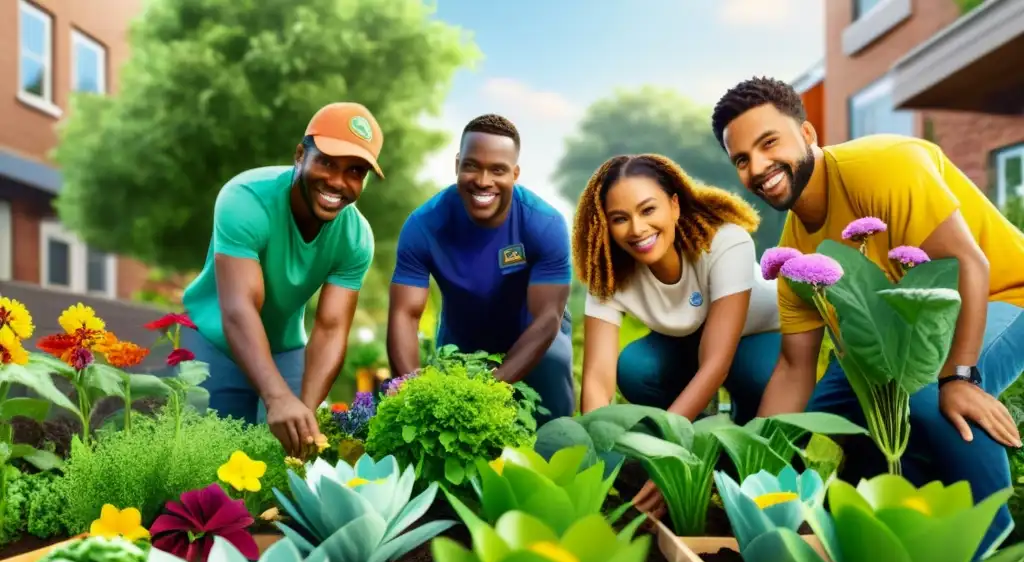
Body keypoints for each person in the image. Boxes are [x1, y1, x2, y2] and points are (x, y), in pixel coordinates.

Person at [711, 75, 1024, 556]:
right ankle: (903, 529)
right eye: (741, 160)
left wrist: (960, 376)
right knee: (837, 412)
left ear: (809, 135)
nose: (758, 167)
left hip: (1004, 293)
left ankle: (987, 554)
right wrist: (753, 464)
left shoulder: (880, 167)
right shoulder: (795, 253)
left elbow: (969, 266)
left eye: (768, 142)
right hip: (899, 333)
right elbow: (794, 369)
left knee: (925, 395)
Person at [575, 153, 781, 516]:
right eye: (620, 219)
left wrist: (672, 450)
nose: (637, 229)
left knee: (759, 380)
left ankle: (730, 455)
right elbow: (596, 377)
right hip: (686, 343)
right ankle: (694, 444)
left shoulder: (724, 241)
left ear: (673, 205)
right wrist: (595, 453)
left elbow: (716, 362)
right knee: (638, 366)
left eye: (647, 210)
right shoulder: (608, 271)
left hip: (757, 337)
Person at [181, 102, 383, 457]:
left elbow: (332, 329)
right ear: (300, 155)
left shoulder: (356, 237)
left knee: (287, 458)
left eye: (355, 171)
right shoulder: (245, 198)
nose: (338, 182)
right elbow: (240, 309)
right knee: (206, 460)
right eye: (327, 162)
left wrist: (302, 408)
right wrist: (276, 397)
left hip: (285, 346)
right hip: (213, 338)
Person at [386, 114, 574, 423]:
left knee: (554, 386)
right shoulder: (423, 225)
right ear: (457, 164)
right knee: (449, 425)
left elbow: (547, 318)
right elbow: (404, 315)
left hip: (535, 333)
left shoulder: (544, 224)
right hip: (462, 337)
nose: (483, 180)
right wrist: (411, 390)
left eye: (497, 170)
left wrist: (491, 386)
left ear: (515, 174)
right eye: (472, 165)